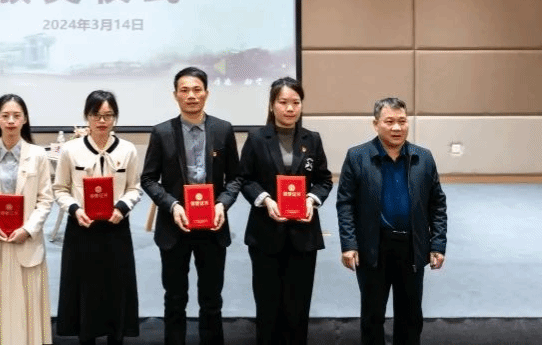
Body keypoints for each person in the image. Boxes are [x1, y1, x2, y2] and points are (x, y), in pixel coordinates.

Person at [140, 66, 242, 345]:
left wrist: (222, 204)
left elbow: (235, 178)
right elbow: (148, 178)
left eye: (197, 89)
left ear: (207, 93)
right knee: (174, 299)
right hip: (175, 227)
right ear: (175, 95)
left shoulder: (223, 129)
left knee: (212, 300)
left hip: (213, 227)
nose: (191, 96)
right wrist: (172, 205)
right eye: (184, 90)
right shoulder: (162, 132)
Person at [336, 97, 447, 345]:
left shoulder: (423, 157)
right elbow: (345, 204)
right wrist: (349, 244)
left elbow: (437, 204)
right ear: (375, 124)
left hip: (412, 246)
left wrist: (438, 244)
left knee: (411, 316)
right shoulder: (357, 156)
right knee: (372, 315)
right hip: (373, 247)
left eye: (402, 121)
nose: (397, 127)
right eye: (389, 121)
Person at [239, 77, 333, 345]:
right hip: (265, 232)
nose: (290, 108)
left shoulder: (312, 139)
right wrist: (266, 200)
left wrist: (311, 200)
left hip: (303, 234)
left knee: (298, 304)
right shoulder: (257, 138)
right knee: (267, 302)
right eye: (283, 102)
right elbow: (244, 179)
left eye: (296, 102)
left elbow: (324, 180)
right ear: (272, 105)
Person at [54, 90, 142, 345]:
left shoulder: (127, 150)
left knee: (116, 288)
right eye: (96, 115)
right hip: (82, 229)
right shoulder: (70, 150)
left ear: (115, 118)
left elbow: (134, 187)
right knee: (85, 290)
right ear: (87, 116)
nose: (102, 121)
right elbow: (60, 188)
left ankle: (116, 337)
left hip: (116, 229)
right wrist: (75, 210)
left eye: (108, 115)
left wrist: (122, 207)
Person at [0, 94, 54, 345]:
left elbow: (45, 199)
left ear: (25, 119)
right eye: (5, 116)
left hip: (25, 241)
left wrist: (28, 229)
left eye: (17, 116)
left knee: (25, 306)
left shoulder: (38, 154)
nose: (11, 121)